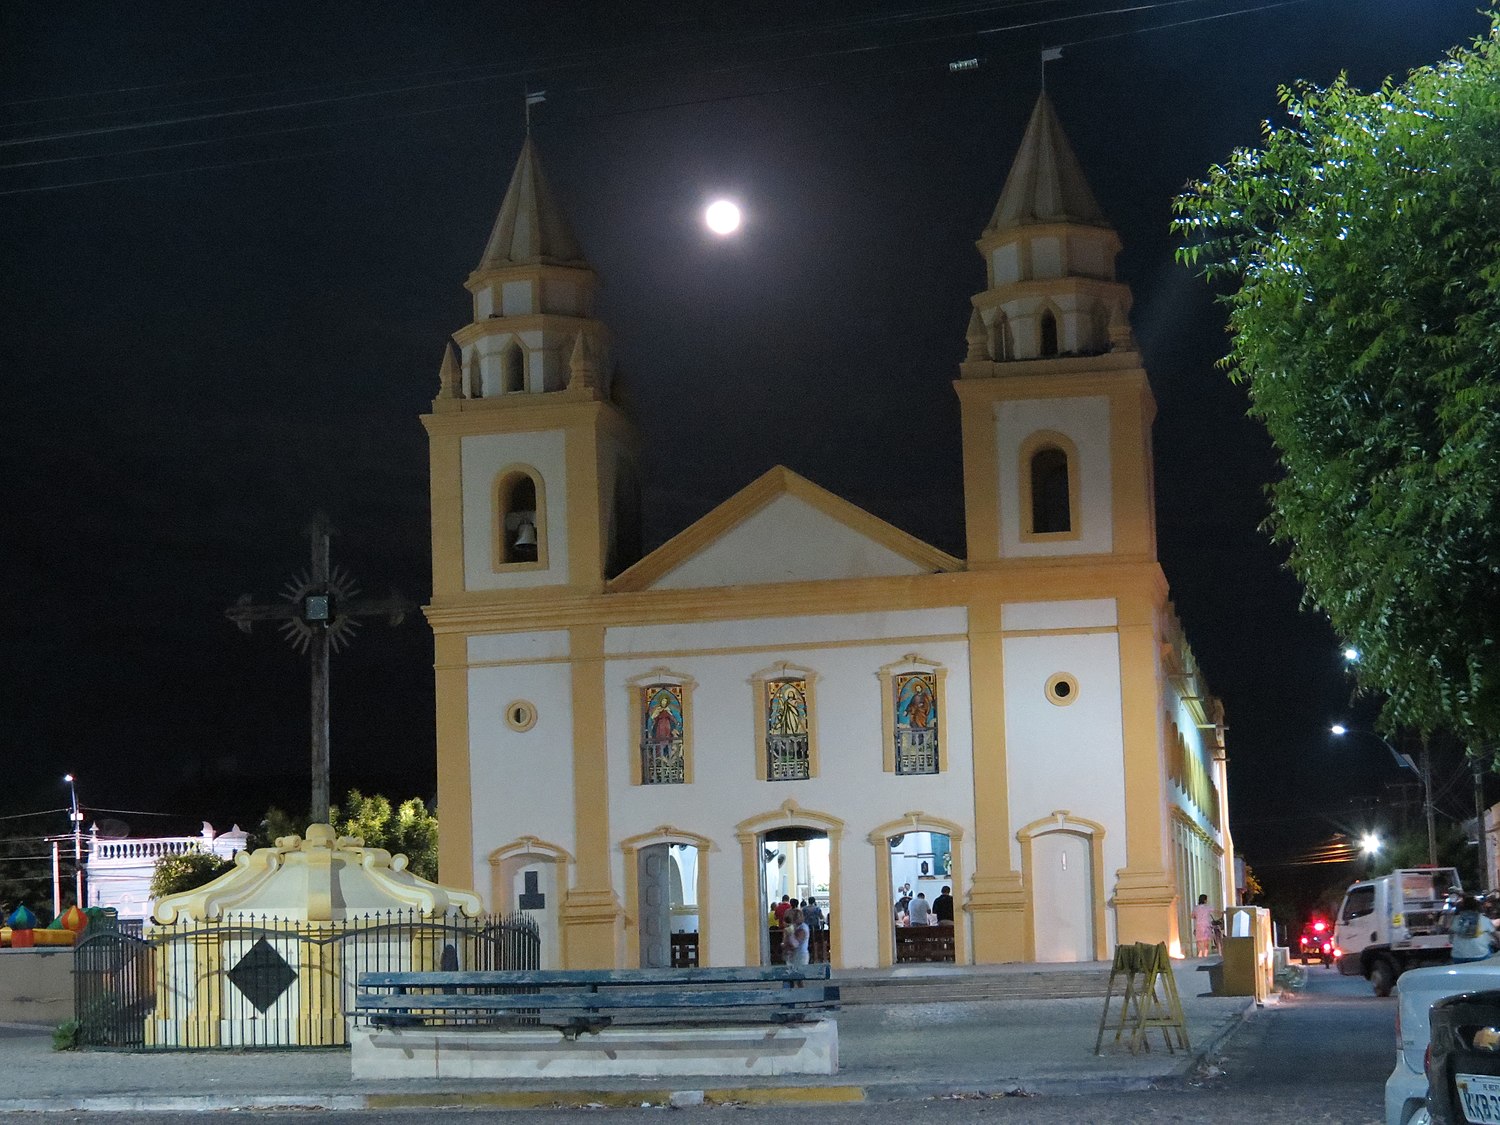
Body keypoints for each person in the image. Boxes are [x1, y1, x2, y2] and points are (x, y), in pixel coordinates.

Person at [1450, 894, 1499, 962]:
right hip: (1480, 955)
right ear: (1477, 907)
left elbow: (1451, 939)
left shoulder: (1456, 919)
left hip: (1458, 956)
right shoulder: (1483, 919)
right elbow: (1495, 936)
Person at [782, 907, 810, 984]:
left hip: (801, 955)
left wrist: (789, 934)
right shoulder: (795, 927)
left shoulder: (803, 928)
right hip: (793, 955)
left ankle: (800, 994)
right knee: (790, 978)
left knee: (799, 979)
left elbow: (795, 944)